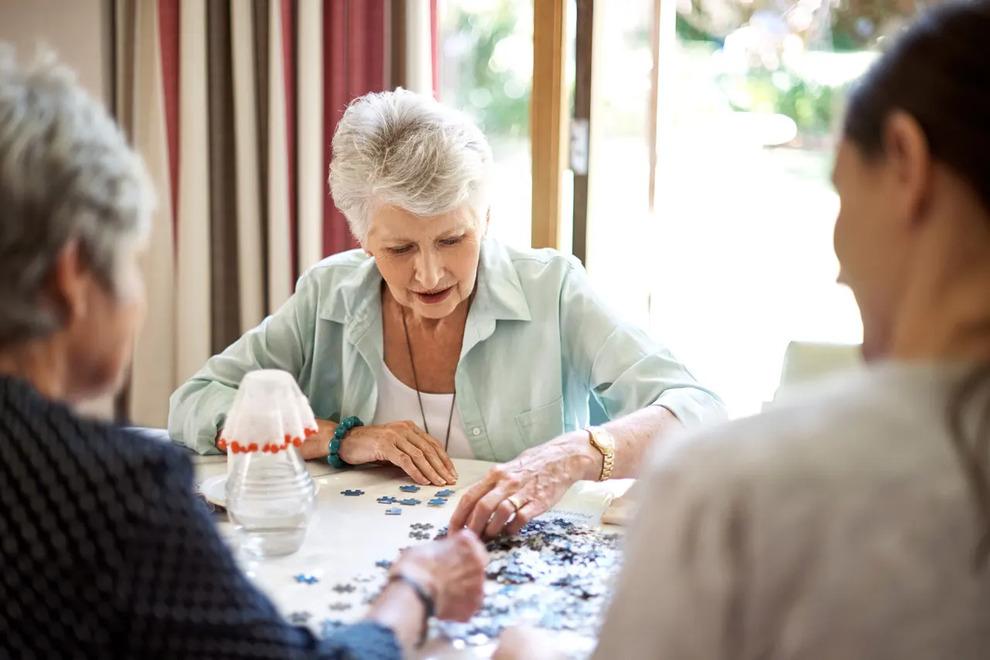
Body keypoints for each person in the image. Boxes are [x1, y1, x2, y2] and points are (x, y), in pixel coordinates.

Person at [497, 1, 990, 658]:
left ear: (906, 162)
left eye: (842, 192)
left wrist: (528, 653)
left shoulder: (735, 488)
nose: (840, 266)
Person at [0, 47, 487, 659]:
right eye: (130, 260)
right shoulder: (117, 493)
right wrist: (416, 587)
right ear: (70, 281)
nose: (429, 271)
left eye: (452, 238)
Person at [169, 88, 725, 538]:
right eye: (400, 249)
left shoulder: (553, 288)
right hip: (355, 556)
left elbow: (698, 409)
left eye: (454, 239)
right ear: (364, 239)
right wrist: (341, 438)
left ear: (486, 218)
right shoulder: (328, 294)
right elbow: (195, 403)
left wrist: (573, 453)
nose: (430, 275)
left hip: (519, 564)